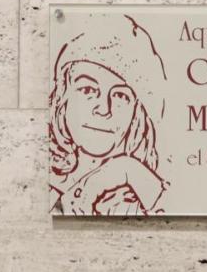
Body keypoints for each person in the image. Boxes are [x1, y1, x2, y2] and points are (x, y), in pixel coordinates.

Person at [48, 13, 170, 215]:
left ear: (136, 114)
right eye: (87, 89)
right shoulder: (42, 188)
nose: (104, 109)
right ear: (63, 99)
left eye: (120, 95)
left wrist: (128, 170)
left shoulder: (142, 198)